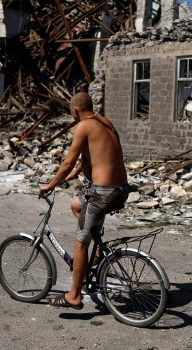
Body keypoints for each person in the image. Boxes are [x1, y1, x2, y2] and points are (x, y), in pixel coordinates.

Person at [39, 92, 129, 310]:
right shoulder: (105, 123)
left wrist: (50, 184)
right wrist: (77, 172)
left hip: (103, 192)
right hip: (120, 190)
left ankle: (74, 295)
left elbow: (68, 161)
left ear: (75, 110)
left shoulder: (82, 126)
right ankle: (98, 248)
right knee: (76, 205)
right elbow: (99, 154)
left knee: (80, 243)